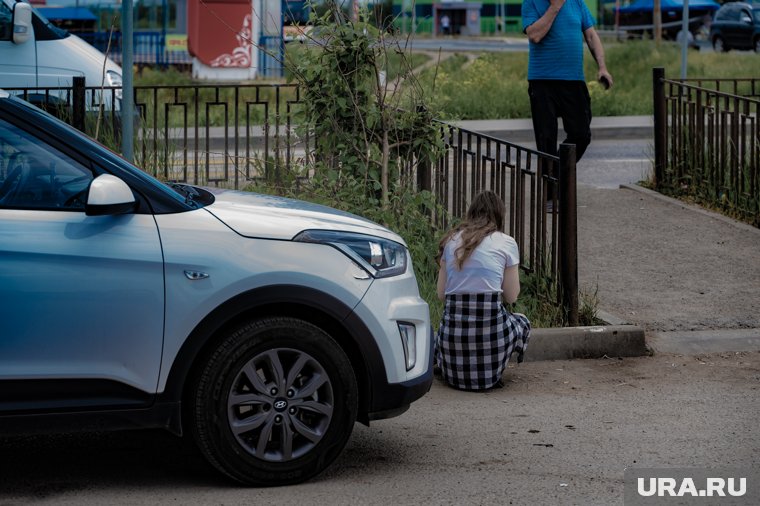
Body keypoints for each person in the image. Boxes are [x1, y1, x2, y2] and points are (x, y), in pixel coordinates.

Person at [435, 191, 531, 391]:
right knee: (522, 322)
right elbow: (512, 296)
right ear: (499, 215)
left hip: (453, 351)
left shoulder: (451, 241)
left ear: (471, 213)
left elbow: (441, 294)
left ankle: (454, 366)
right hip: (492, 339)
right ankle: (492, 369)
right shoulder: (505, 242)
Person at [521, 0, 613, 206]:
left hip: (573, 80)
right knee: (546, 139)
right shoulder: (531, 2)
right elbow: (535, 35)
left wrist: (602, 67)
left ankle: (558, 174)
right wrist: (554, 7)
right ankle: (550, 196)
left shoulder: (577, 2)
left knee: (582, 134)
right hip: (542, 81)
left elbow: (590, 35)